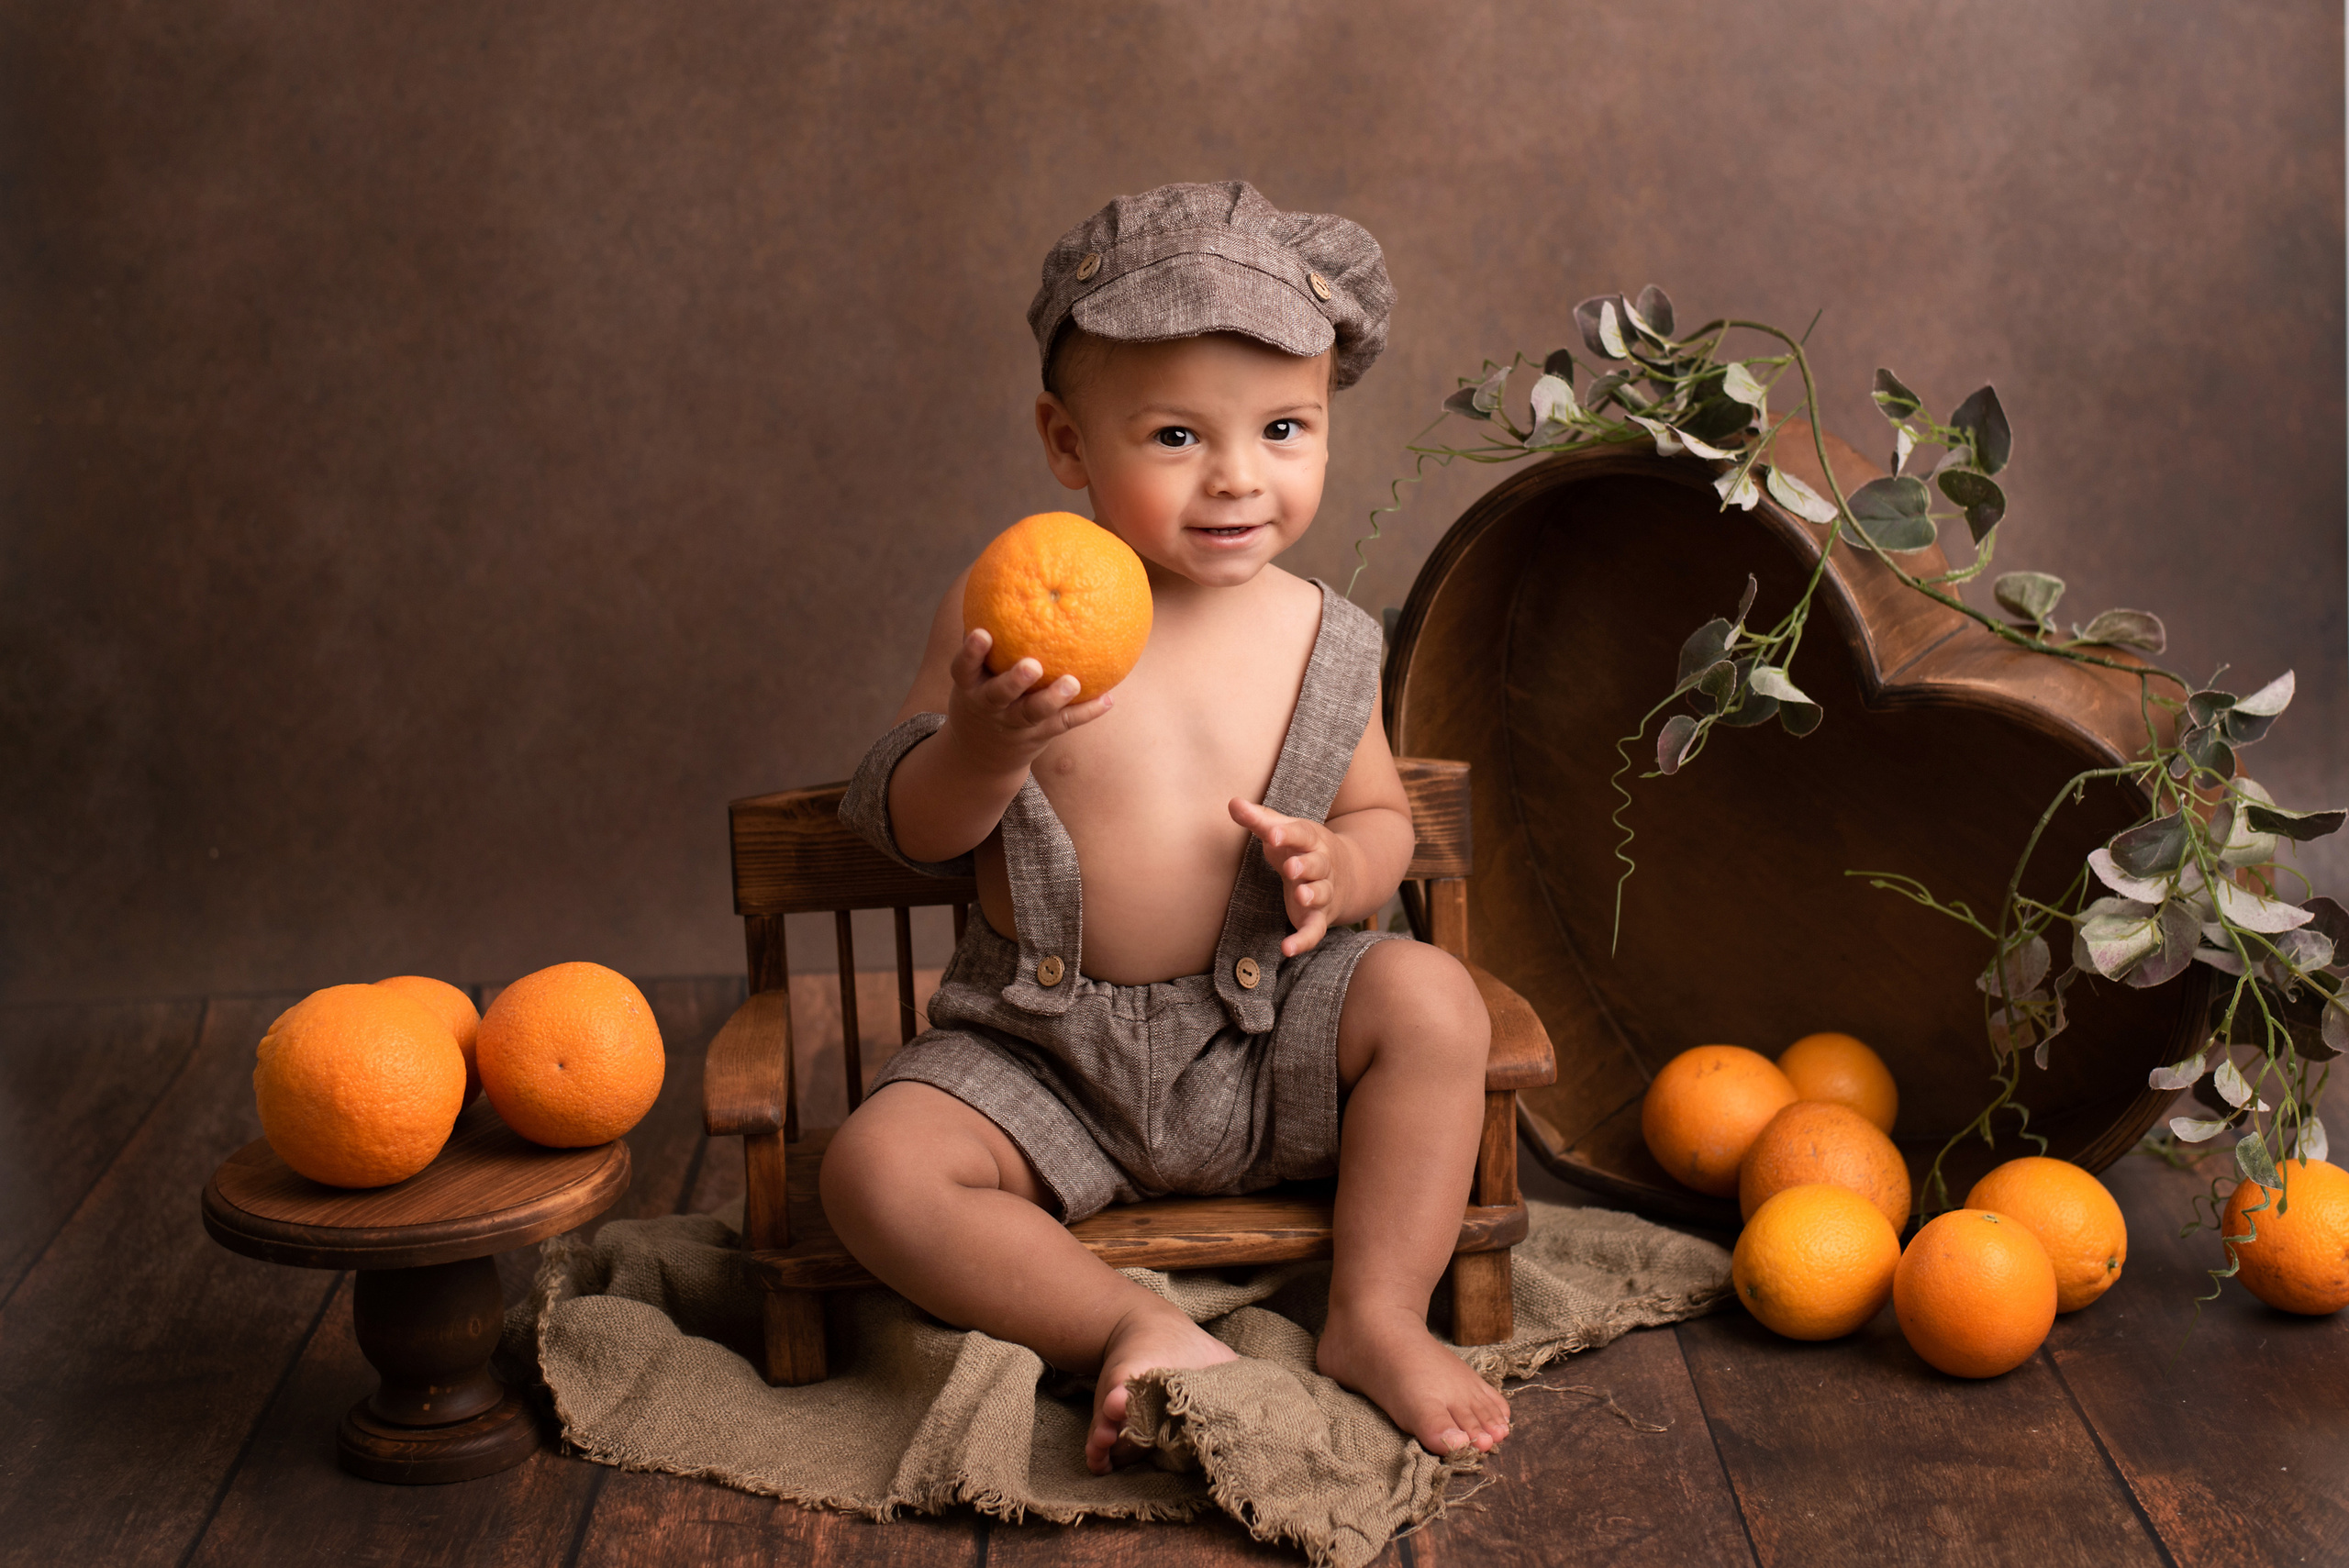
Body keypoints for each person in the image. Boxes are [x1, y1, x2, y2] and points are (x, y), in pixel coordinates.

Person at [822, 181, 1505, 1473]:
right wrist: (981, 746)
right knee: (875, 1168)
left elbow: (1379, 815)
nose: (1239, 476)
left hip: (1272, 1036)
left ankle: (1375, 1313)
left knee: (1432, 1001)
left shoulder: (1325, 635)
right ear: (1068, 442)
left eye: (1285, 428)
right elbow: (906, 824)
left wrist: (1340, 863)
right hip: (1042, 1054)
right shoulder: (1011, 611)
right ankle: (1125, 1323)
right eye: (1179, 435)